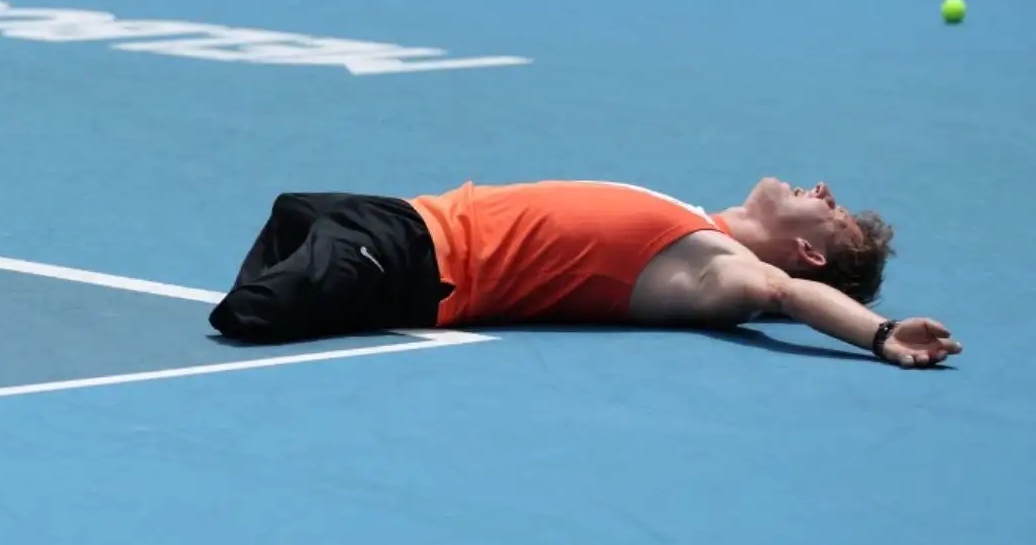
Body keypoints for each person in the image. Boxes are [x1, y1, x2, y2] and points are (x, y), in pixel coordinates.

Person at [208, 177, 963, 368]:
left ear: (812, 257)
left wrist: (881, 334)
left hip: (419, 265)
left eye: (835, 213)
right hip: (404, 219)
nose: (824, 192)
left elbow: (783, 294)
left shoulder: (723, 269)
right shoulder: (698, 224)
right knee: (294, 211)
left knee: (252, 313)